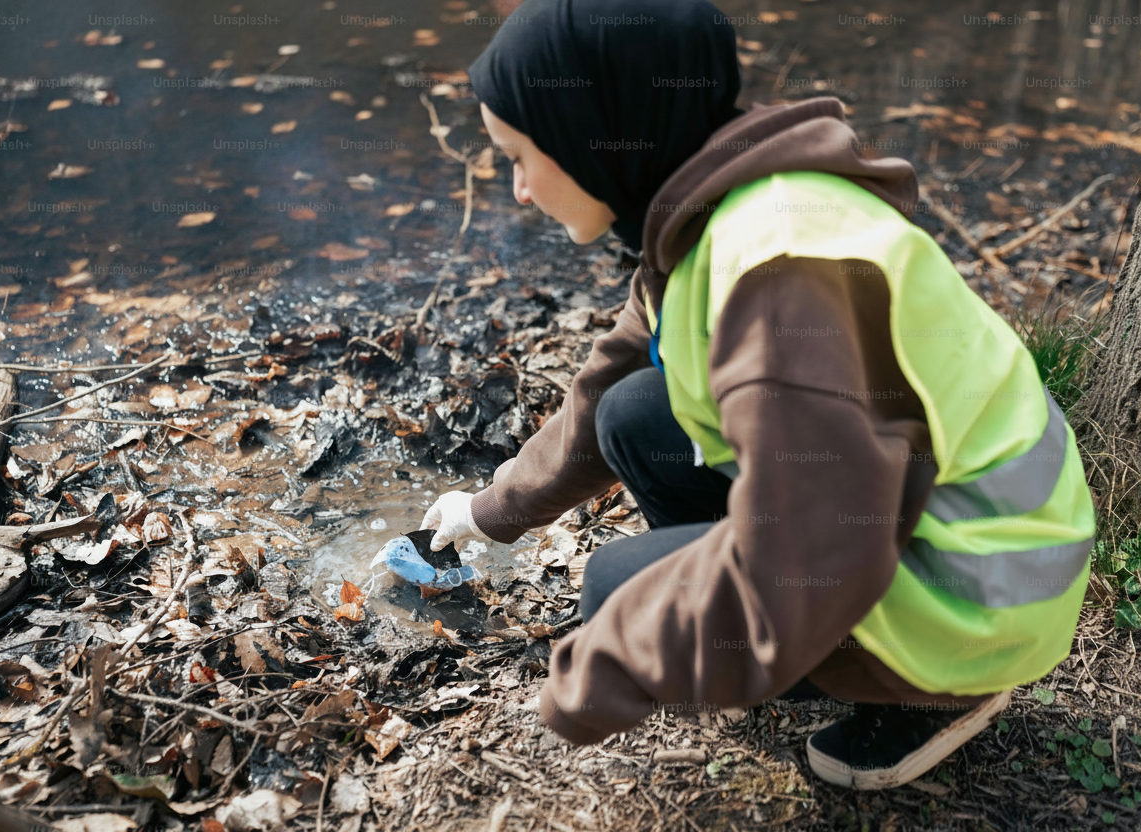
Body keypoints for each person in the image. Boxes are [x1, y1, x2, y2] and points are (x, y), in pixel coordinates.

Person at [421, 0, 1095, 790]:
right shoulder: (726, 200)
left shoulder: (776, 275)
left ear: (590, 135)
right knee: (634, 414)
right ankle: (784, 646)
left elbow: (820, 551)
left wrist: (598, 670)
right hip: (925, 512)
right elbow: (610, 377)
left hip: (983, 589)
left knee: (617, 595)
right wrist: (489, 510)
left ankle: (936, 693)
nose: (520, 191)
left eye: (518, 157)